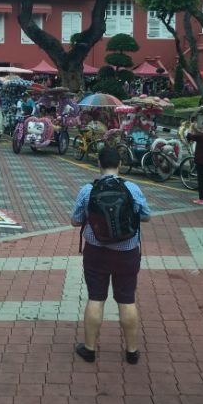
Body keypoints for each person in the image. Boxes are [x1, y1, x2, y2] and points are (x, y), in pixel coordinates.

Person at [70, 147, 151, 364]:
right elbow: (146, 216)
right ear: (120, 164)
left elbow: (75, 220)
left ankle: (89, 349)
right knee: (127, 300)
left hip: (96, 253)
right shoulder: (132, 188)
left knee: (96, 298)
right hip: (127, 253)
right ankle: (132, 352)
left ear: (98, 164)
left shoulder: (88, 190)